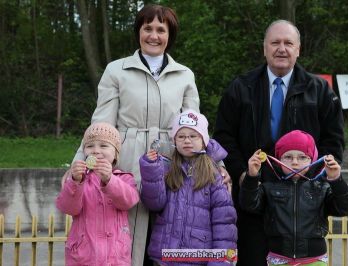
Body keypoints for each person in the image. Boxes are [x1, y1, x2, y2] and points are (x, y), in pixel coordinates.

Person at [65, 4, 202, 266]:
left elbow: (192, 128)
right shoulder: (116, 70)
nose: (153, 35)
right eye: (147, 28)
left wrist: (213, 164)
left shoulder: (185, 75)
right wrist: (82, 160)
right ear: (138, 31)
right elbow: (102, 123)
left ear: (169, 35)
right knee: (126, 229)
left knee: (170, 229)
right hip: (125, 160)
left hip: (171, 160)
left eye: (160, 29)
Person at [213, 19, 345, 264]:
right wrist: (242, 174)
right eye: (275, 42)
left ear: (298, 49)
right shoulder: (240, 88)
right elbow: (223, 137)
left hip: (301, 210)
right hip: (252, 200)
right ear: (264, 48)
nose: (281, 48)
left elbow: (333, 142)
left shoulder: (320, 91)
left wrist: (311, 181)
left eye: (288, 43)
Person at [240, 130, 348, 265]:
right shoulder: (269, 187)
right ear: (278, 160)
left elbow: (345, 208)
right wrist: (252, 176)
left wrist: (336, 179)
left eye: (302, 157)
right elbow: (248, 204)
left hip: (314, 259)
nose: (295, 162)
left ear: (312, 159)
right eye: (288, 157)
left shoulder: (321, 187)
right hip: (279, 258)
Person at [139, 110, 237, 265]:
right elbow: (154, 204)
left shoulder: (215, 175)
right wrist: (151, 170)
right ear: (174, 140)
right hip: (164, 257)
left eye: (193, 136)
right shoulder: (167, 169)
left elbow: (224, 226)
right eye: (181, 136)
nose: (187, 141)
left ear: (204, 140)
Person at [56, 122, 140, 265]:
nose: (95, 150)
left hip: (115, 257)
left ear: (115, 154)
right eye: (90, 146)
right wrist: (75, 182)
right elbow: (69, 208)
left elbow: (129, 201)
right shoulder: (79, 179)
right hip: (83, 256)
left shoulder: (124, 178)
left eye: (103, 145)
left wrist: (109, 179)